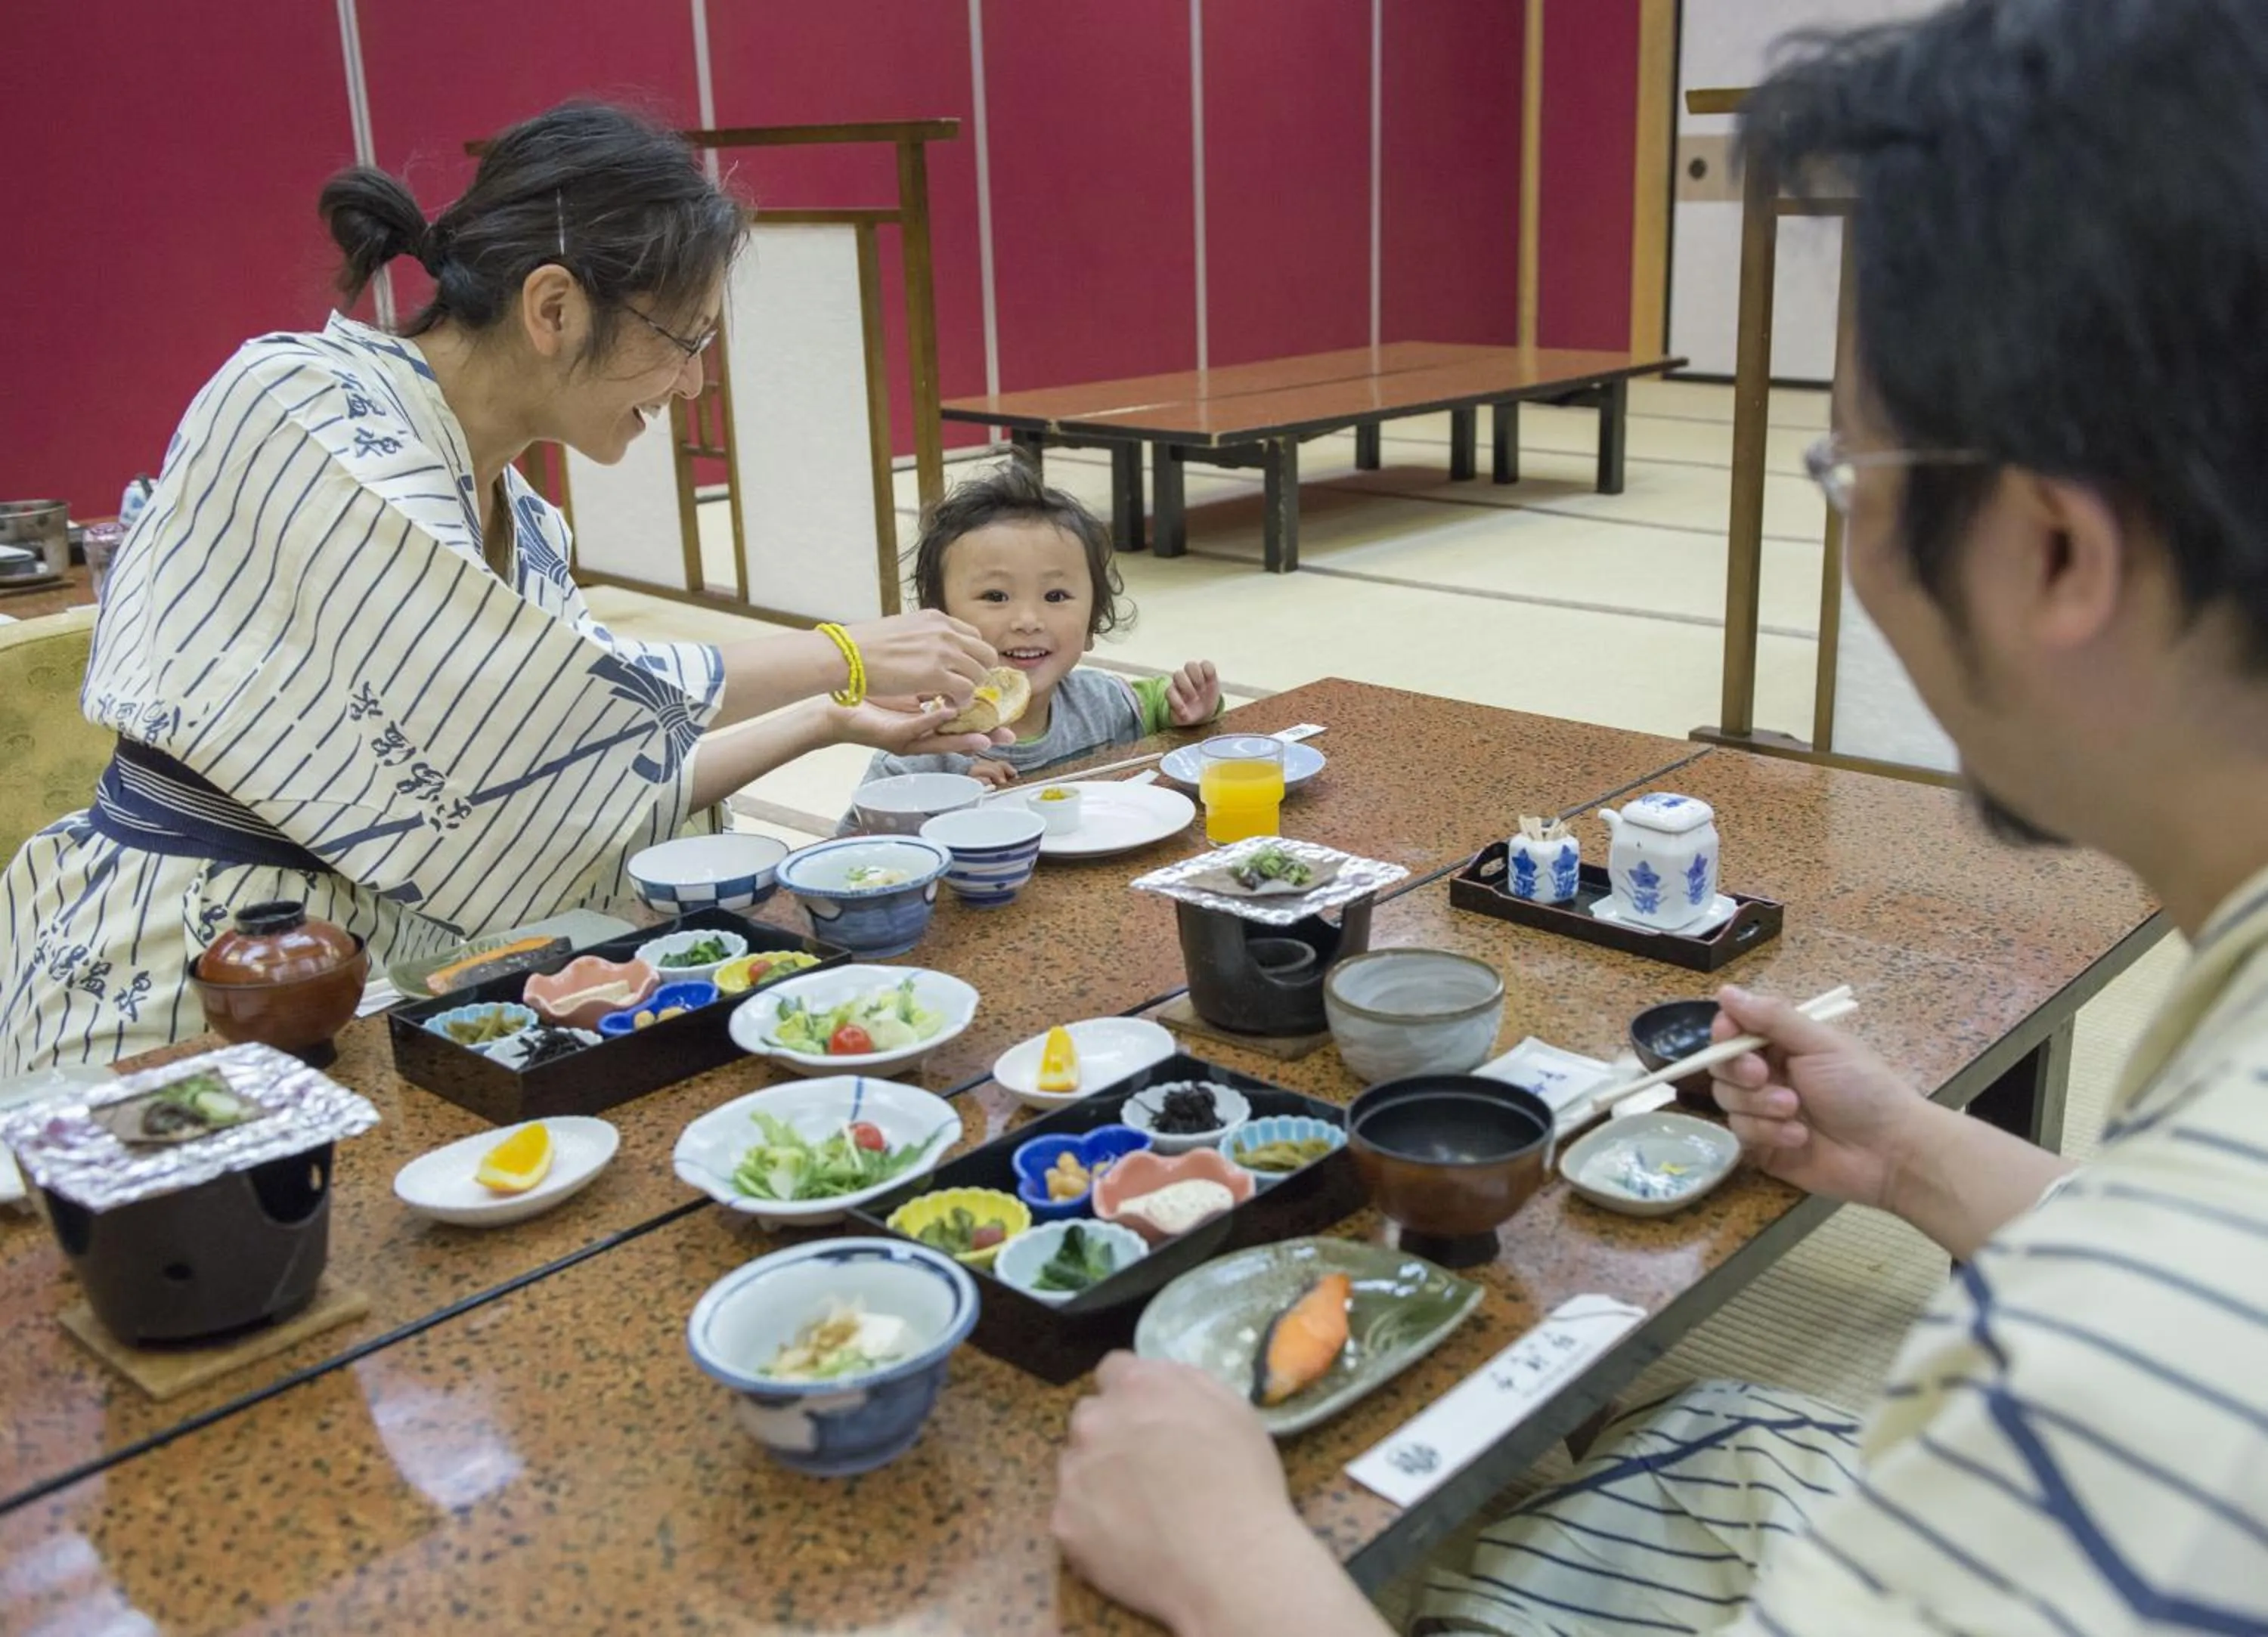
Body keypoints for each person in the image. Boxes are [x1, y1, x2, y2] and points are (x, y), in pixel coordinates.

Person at [1052, 0, 2268, 1630]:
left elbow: (2173, 1321)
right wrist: (1912, 1156)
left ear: (2053, 551)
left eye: (1854, 473)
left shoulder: (2122, 1374)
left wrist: (1238, 1575)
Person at [0, 104, 1009, 1075]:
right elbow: (528, 698)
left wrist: (833, 718)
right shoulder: (298, 401)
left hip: (384, 968)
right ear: (555, 307)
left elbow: (569, 774)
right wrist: (839, 652)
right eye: (685, 341)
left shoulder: (522, 520)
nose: (692, 386)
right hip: (195, 966)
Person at [840, 461, 1219, 824]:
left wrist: (1188, 706)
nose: (1027, 621)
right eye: (995, 596)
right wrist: (940, 806)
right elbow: (861, 850)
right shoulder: (916, 745)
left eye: (1055, 597)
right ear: (939, 625)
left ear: (1092, 623)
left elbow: (1156, 705)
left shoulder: (1104, 704)